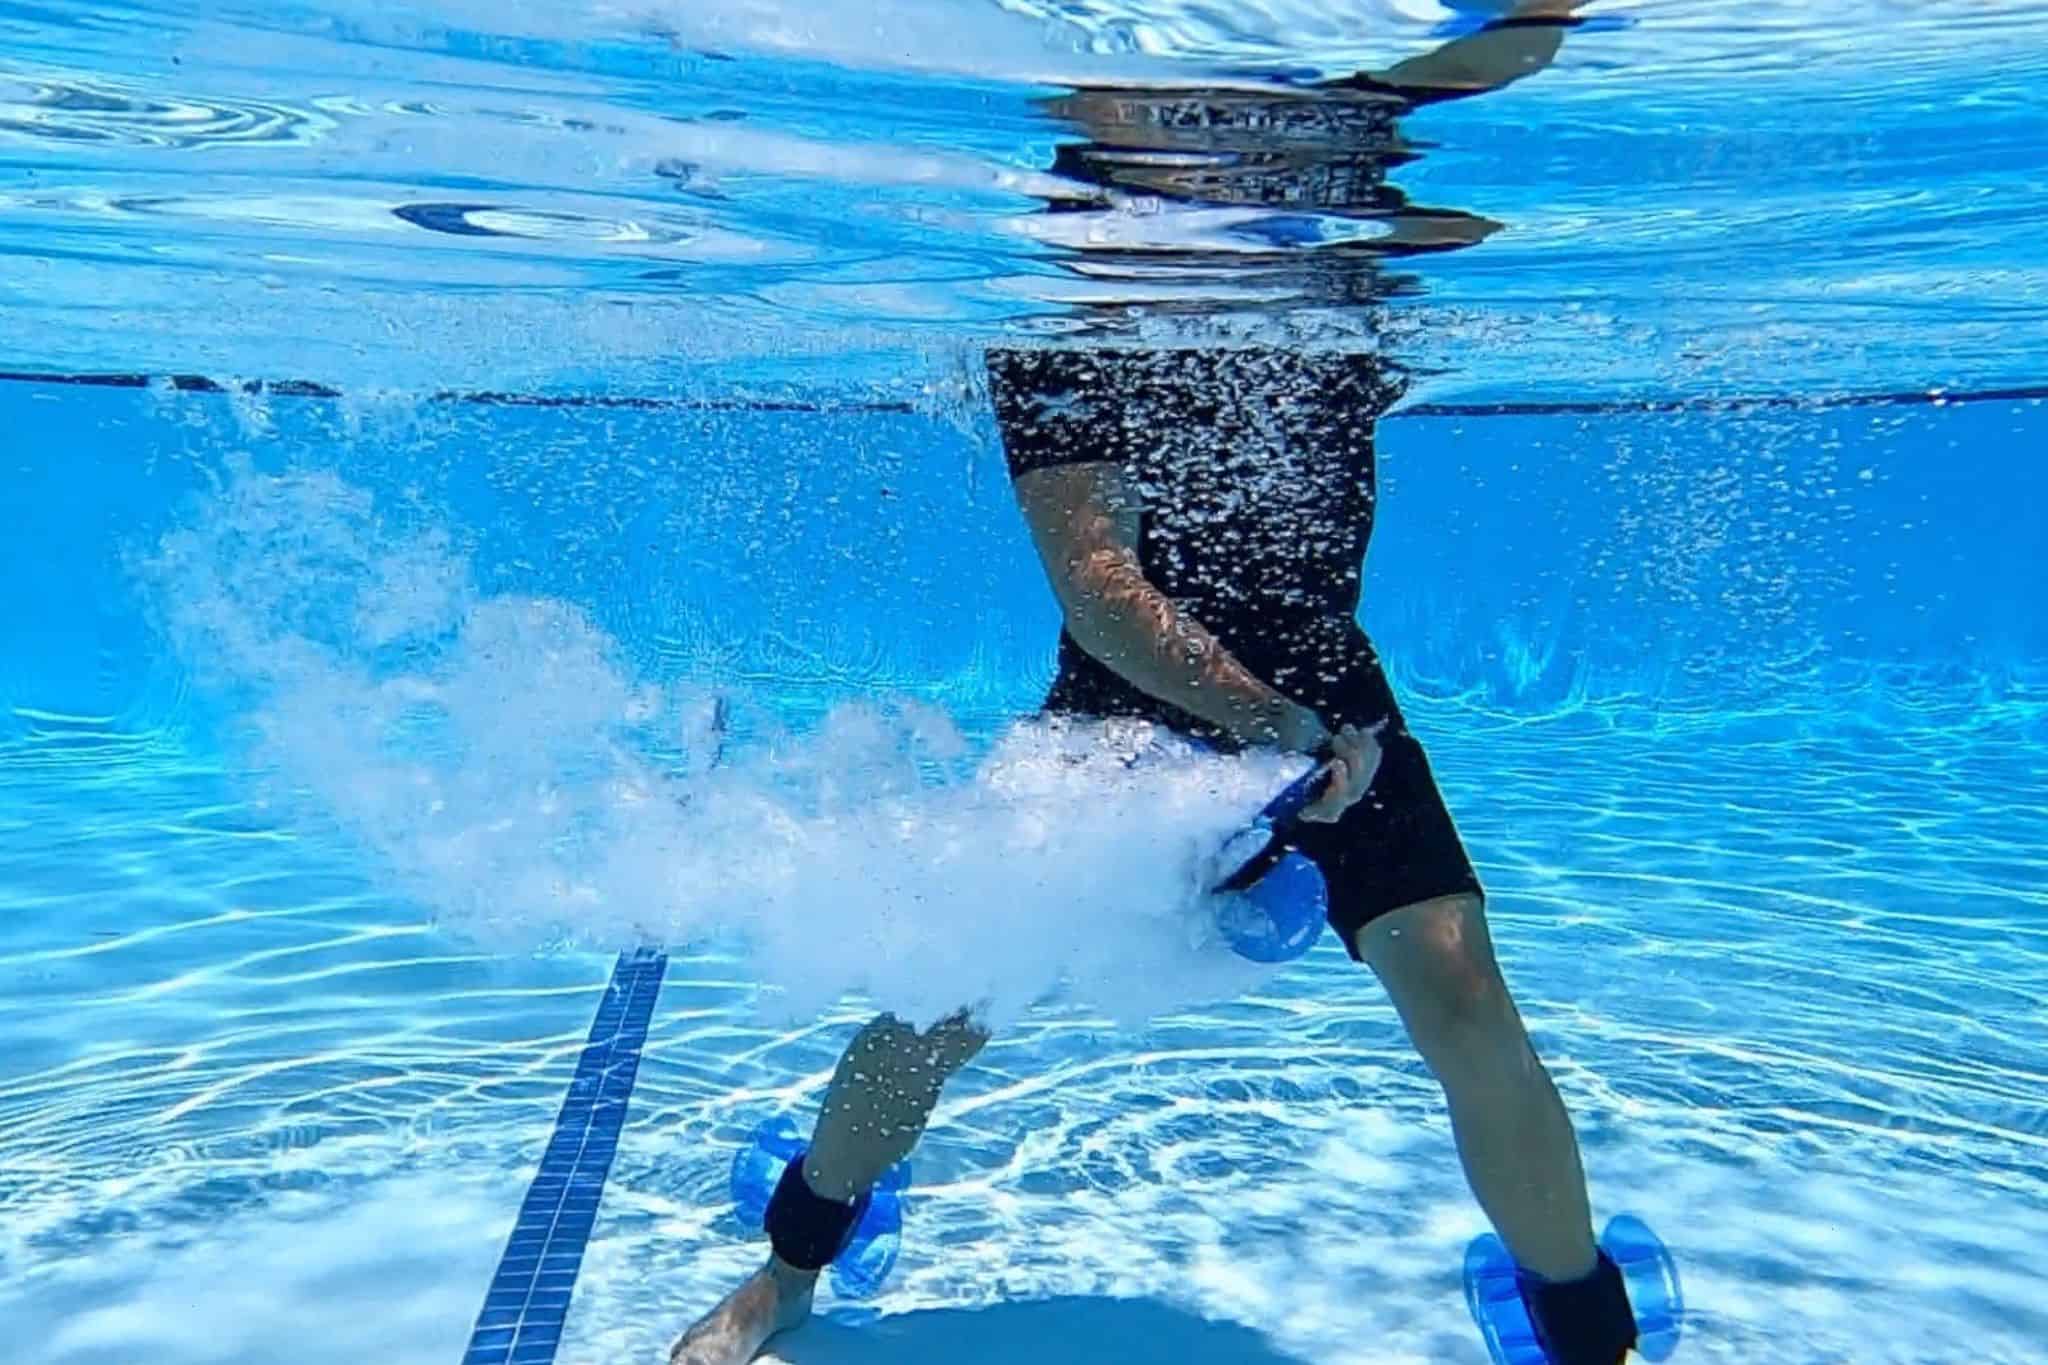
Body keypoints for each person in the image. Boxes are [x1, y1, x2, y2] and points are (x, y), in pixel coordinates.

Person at [671, 6, 1644, 1364]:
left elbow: (1497, 52)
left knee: (1463, 989)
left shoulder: (1332, 179)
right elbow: (1100, 591)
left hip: (1324, 686)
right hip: (1125, 711)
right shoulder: (1060, 301)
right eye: (1158, 113)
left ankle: (1588, 1332)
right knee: (944, 999)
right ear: (1092, 116)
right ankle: (789, 1265)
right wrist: (1275, 729)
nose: (1211, 148)